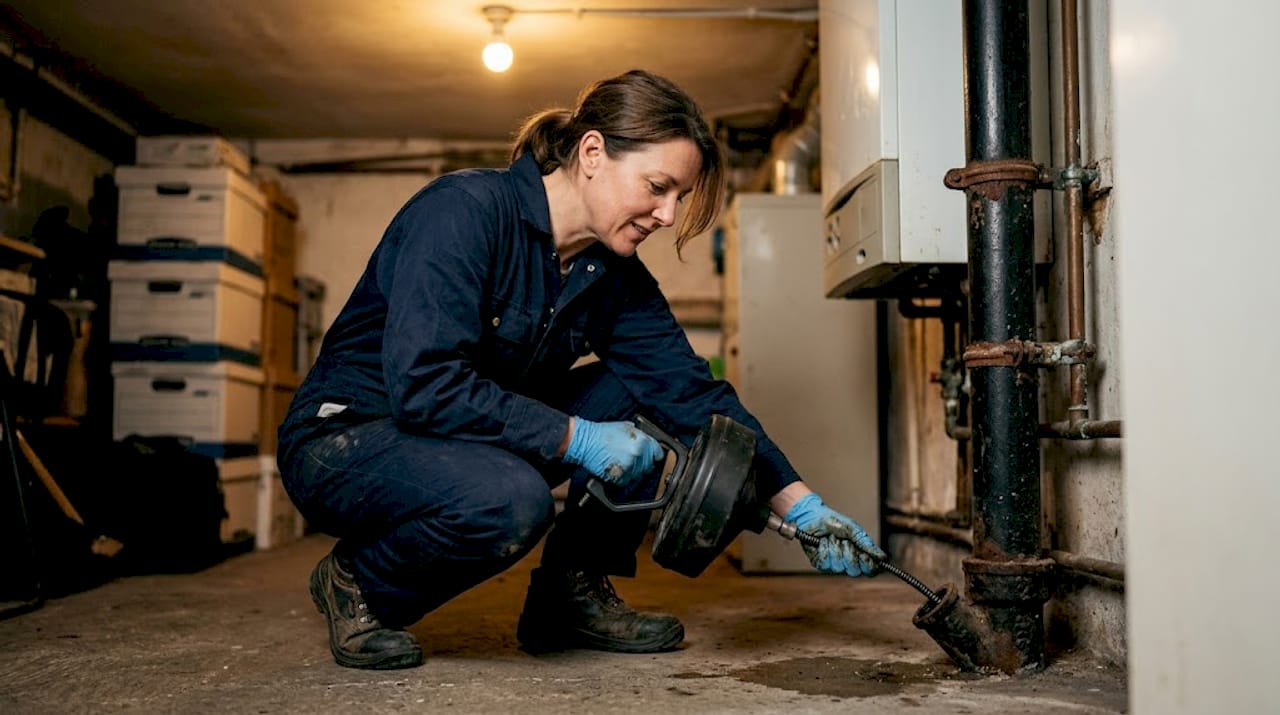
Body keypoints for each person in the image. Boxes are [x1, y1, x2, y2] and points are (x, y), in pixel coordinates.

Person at [276, 68, 887, 671]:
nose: (667, 215)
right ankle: (358, 581)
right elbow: (424, 387)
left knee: (641, 396)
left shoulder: (612, 274)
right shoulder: (462, 212)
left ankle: (568, 595)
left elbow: (691, 393)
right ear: (592, 152)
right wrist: (576, 437)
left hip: (458, 437)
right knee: (511, 503)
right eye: (658, 187)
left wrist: (799, 504)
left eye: (679, 198)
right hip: (348, 438)